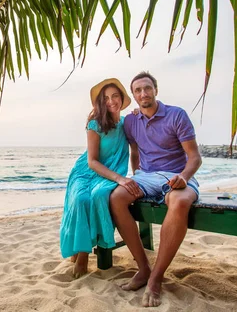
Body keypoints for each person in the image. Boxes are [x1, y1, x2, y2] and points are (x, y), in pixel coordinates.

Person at [110, 71, 202, 307]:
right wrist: (135, 176)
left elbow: (194, 158)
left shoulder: (176, 115)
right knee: (117, 197)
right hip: (146, 177)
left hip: (176, 175)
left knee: (180, 202)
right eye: (138, 90)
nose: (143, 93)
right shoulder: (130, 121)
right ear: (134, 95)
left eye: (147, 88)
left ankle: (156, 278)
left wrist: (183, 177)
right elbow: (134, 152)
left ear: (156, 90)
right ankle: (143, 269)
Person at [59, 78, 143, 278]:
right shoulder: (95, 124)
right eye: (106, 98)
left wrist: (137, 174)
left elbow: (135, 152)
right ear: (100, 102)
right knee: (81, 199)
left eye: (115, 96)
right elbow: (92, 162)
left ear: (122, 98)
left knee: (99, 195)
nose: (111, 101)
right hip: (87, 171)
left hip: (110, 173)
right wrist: (120, 179)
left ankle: (83, 249)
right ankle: (83, 253)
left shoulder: (127, 123)